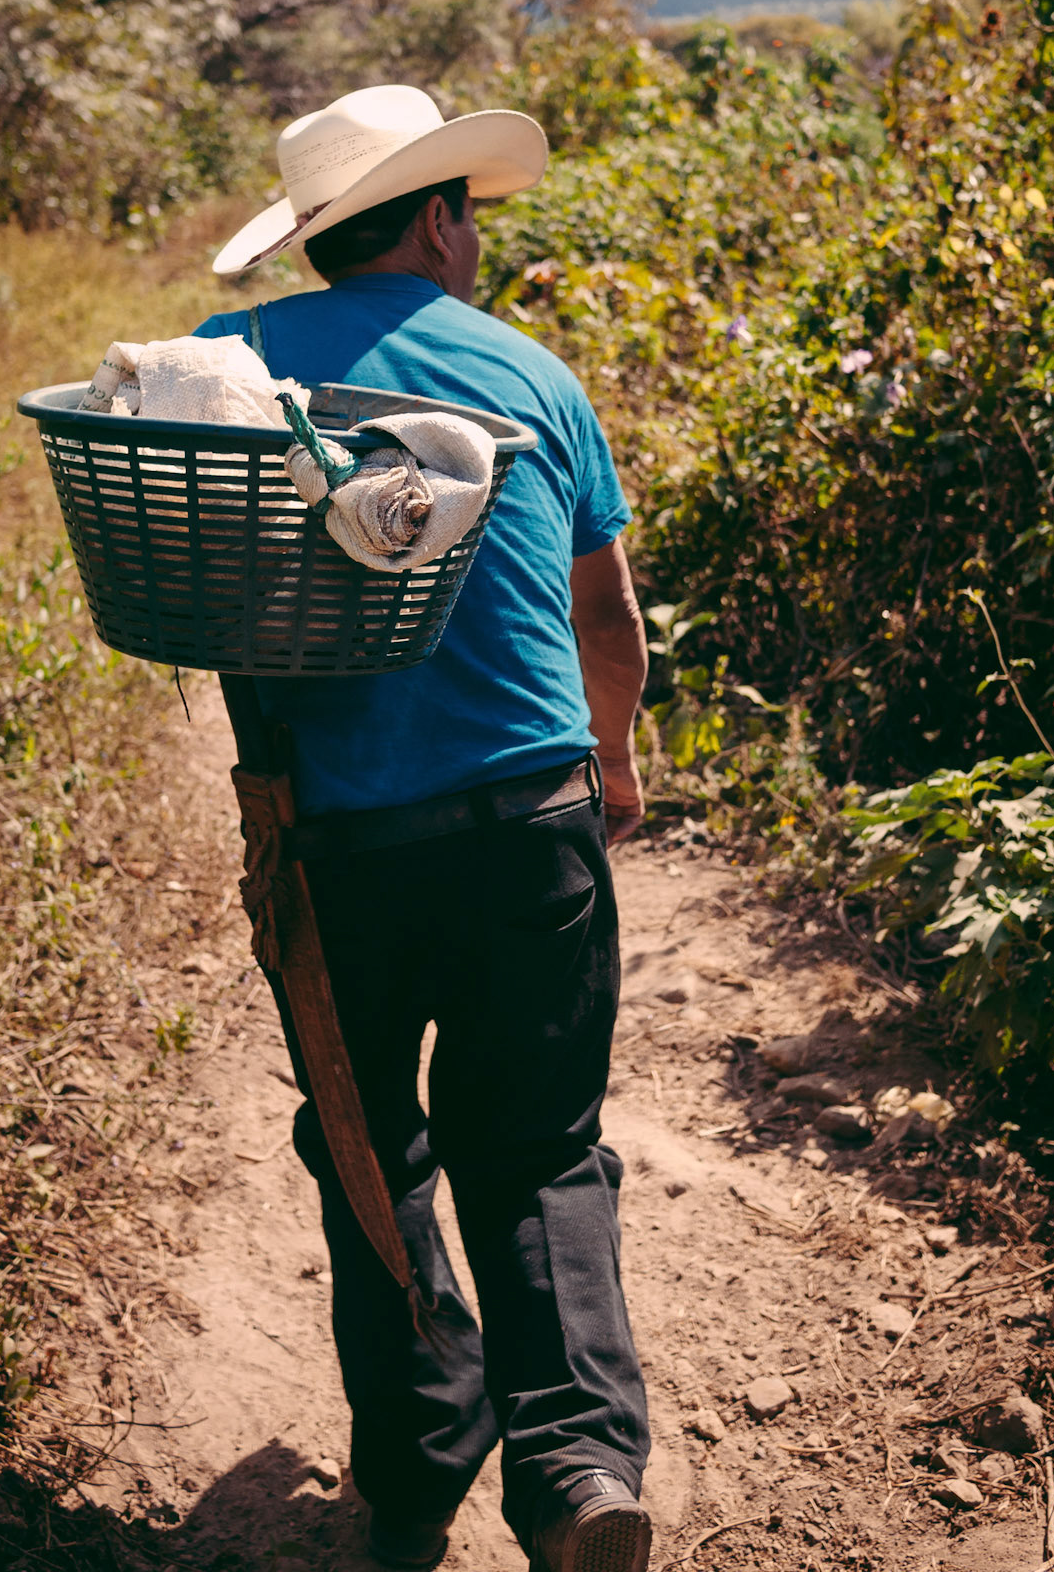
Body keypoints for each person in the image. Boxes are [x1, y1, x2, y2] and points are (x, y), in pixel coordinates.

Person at [197, 85, 652, 1572]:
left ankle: (409, 1475)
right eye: (470, 213)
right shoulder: (531, 372)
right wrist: (617, 763)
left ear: (323, 242)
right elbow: (605, 615)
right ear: (443, 220)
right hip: (532, 816)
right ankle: (580, 1471)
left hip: (338, 846)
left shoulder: (228, 370)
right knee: (538, 1147)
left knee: (367, 1139)